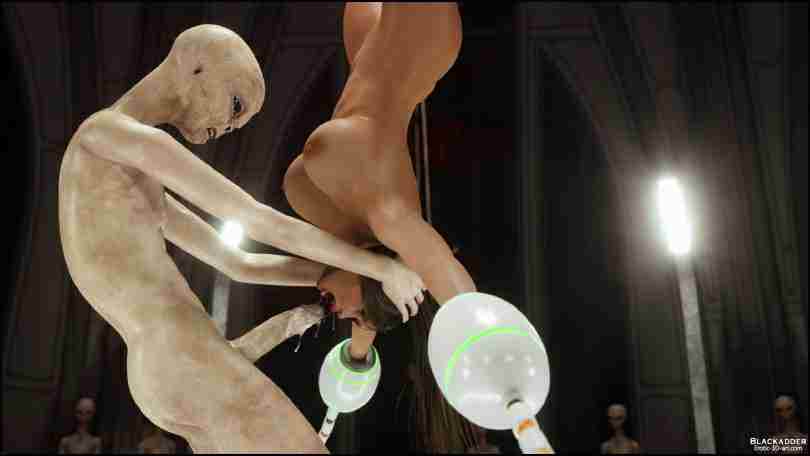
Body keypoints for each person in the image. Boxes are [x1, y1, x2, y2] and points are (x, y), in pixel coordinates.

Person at [58, 23, 425, 453]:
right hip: (180, 350)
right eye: (236, 105)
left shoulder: (132, 181)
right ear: (197, 67)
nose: (231, 127)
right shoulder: (108, 134)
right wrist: (377, 267)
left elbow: (239, 263)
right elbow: (256, 219)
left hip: (167, 362)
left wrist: (339, 276)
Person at [282, 3, 477, 450]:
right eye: (354, 317)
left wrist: (356, 359)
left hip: (373, 48)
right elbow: (443, 273)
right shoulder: (389, 217)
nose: (342, 317)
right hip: (419, 39)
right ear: (377, 281)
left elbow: (367, 309)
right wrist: (484, 344)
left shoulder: (352, 236)